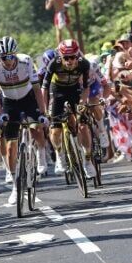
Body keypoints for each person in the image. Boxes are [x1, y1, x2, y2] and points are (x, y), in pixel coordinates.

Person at [0, 36, 48, 204]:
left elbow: (37, 89)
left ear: (16, 54)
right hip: (9, 102)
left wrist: (43, 112)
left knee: (36, 127)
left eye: (11, 56)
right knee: (10, 144)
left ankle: (41, 156)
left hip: (28, 99)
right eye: (3, 57)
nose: (7, 61)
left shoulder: (26, 61)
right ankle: (15, 185)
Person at [42, 39, 96, 178]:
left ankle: (88, 161)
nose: (70, 61)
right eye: (66, 57)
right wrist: (44, 110)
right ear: (60, 56)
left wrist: (83, 103)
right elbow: (44, 88)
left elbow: (85, 87)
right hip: (58, 91)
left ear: (77, 55)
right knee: (55, 129)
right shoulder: (54, 64)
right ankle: (60, 156)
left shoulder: (84, 63)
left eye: (73, 57)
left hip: (75, 90)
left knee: (83, 126)